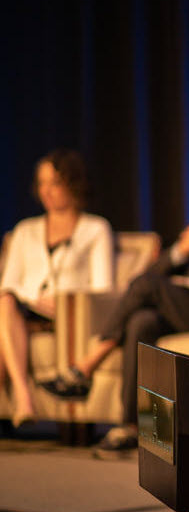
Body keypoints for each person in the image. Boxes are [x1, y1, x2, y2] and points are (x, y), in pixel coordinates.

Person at [42, 152, 189, 451]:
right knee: (141, 322)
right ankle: (138, 426)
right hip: (186, 305)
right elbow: (147, 278)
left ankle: (87, 363)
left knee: (149, 288)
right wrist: (182, 250)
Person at [0, 150, 113, 428]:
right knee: (4, 303)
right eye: (42, 183)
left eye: (55, 183)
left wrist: (63, 303)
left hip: (70, 315)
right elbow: (9, 283)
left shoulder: (95, 229)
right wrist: (34, 300)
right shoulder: (25, 230)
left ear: (73, 184)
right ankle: (24, 397)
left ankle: (19, 404)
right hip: (25, 310)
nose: (46, 191)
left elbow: (103, 289)